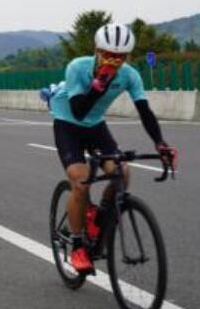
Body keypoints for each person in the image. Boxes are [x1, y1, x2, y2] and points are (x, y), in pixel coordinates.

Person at [48, 23, 177, 273]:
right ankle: (77, 245)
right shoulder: (78, 67)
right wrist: (98, 87)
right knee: (80, 180)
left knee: (123, 173)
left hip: (96, 125)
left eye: (120, 56)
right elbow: (78, 110)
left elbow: (145, 112)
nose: (114, 60)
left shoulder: (129, 74)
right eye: (108, 54)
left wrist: (160, 143)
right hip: (68, 123)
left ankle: (98, 218)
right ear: (97, 50)